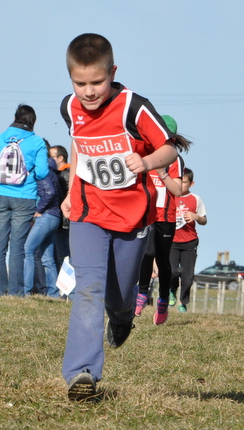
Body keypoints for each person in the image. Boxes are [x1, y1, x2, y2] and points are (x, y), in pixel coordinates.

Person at [59, 33, 178, 401]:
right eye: (80, 84)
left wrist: (146, 161)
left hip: (132, 218)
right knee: (89, 287)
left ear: (112, 72)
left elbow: (170, 149)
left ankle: (123, 317)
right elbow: (78, 145)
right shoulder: (69, 107)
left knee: (120, 294)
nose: (88, 92)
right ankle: (82, 372)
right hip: (88, 212)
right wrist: (70, 191)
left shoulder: (133, 108)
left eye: (97, 82)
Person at [0, 104, 49, 297]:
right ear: (33, 121)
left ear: (15, 118)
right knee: (17, 247)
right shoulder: (37, 142)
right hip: (25, 198)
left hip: (0, 196)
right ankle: (16, 292)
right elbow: (42, 172)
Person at [135, 115, 191, 325]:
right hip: (145, 214)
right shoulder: (145, 154)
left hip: (166, 216)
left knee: (162, 258)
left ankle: (163, 300)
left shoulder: (174, 159)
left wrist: (162, 174)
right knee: (146, 253)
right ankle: (141, 295)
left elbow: (178, 190)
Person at [23, 140, 62, 297]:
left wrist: (39, 210)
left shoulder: (43, 170)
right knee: (48, 258)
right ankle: (54, 293)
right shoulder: (53, 170)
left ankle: (26, 291)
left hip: (46, 216)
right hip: (55, 217)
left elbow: (49, 192)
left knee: (28, 249)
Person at [169, 167, 207, 314]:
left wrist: (195, 217)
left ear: (191, 184)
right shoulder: (170, 196)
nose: (180, 185)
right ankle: (172, 290)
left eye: (184, 182)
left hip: (189, 242)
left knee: (188, 277)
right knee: (173, 272)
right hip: (172, 242)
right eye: (178, 181)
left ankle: (183, 302)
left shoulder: (195, 199)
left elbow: (204, 220)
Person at [49, 145, 71, 269]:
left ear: (60, 158)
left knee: (63, 255)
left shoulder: (65, 174)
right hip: (64, 221)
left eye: (51, 157)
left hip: (64, 222)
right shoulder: (65, 173)